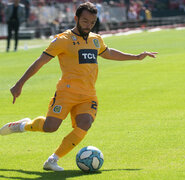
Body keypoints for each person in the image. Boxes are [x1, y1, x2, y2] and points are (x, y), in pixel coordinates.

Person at [0, 2, 157, 171]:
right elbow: (40, 62)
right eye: (85, 21)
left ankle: (53, 159)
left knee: (85, 123)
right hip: (66, 93)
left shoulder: (96, 40)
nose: (88, 25)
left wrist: (136, 57)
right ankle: (23, 125)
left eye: (92, 22)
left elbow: (109, 53)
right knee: (50, 127)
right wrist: (19, 84)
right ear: (76, 18)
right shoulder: (62, 40)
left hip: (88, 95)